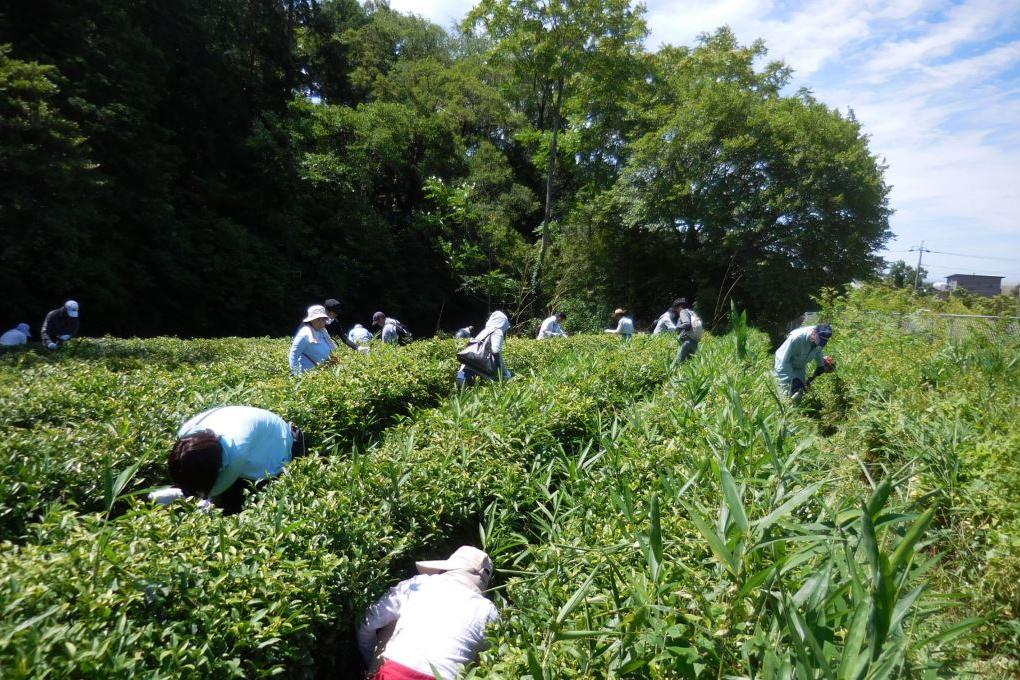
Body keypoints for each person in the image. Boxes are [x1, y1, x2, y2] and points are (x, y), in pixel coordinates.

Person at [358, 546, 499, 680]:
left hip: (393, 672)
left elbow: (369, 621)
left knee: (392, 621)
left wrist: (369, 657)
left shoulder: (419, 583)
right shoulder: (488, 611)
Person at [167, 405, 305, 514]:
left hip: (283, 446)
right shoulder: (185, 433)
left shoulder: (237, 451)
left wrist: (180, 496)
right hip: (257, 441)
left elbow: (215, 490)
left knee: (235, 508)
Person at [774, 323, 836, 398]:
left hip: (800, 367)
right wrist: (792, 379)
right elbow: (782, 361)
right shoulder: (796, 339)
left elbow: (818, 351)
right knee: (783, 396)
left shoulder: (821, 340)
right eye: (819, 341)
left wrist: (820, 366)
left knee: (799, 395)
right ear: (814, 333)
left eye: (822, 343)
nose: (819, 344)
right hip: (785, 368)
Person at [457, 311, 512, 388]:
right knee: (508, 376)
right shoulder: (497, 331)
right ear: (503, 323)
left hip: (462, 374)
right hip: (477, 375)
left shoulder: (485, 331)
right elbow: (496, 351)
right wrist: (504, 372)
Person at [289, 305, 335, 376]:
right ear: (311, 320)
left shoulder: (322, 332)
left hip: (321, 373)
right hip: (307, 375)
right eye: (318, 319)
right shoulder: (304, 334)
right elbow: (294, 356)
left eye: (323, 319)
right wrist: (297, 375)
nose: (321, 322)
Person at [674, 298, 699, 363]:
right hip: (695, 342)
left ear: (679, 306)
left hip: (686, 342)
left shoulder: (683, 312)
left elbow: (687, 323)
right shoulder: (692, 312)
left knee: (677, 364)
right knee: (690, 363)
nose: (676, 310)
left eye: (676, 308)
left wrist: (677, 328)